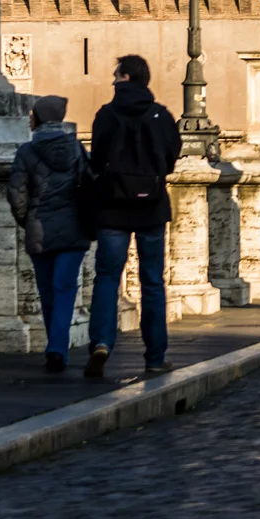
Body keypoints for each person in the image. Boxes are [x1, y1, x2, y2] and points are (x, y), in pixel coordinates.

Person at [85, 53, 183, 379]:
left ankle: (101, 343)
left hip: (112, 208)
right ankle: (155, 356)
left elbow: (96, 160)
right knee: (152, 282)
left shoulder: (106, 114)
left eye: (116, 75)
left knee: (107, 278)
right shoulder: (161, 115)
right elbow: (171, 158)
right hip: (151, 207)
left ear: (126, 77)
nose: (113, 80)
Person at [6, 93, 93, 373]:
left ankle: (55, 347)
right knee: (65, 288)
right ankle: (57, 347)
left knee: (47, 290)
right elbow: (91, 184)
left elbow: (17, 193)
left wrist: (27, 220)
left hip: (40, 228)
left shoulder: (26, 152)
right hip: (74, 228)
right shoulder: (77, 149)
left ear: (39, 118)